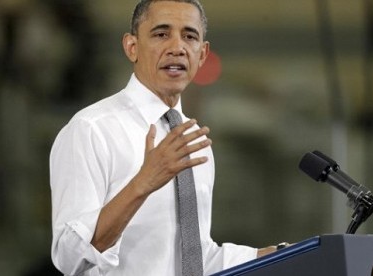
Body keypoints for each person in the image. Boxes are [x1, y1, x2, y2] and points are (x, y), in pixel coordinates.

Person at [49, 0, 279, 275]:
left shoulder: (193, 141)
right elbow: (68, 257)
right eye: (161, 34)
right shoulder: (91, 130)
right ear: (132, 47)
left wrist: (277, 256)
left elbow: (193, 257)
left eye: (189, 36)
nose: (177, 47)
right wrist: (143, 182)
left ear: (202, 54)